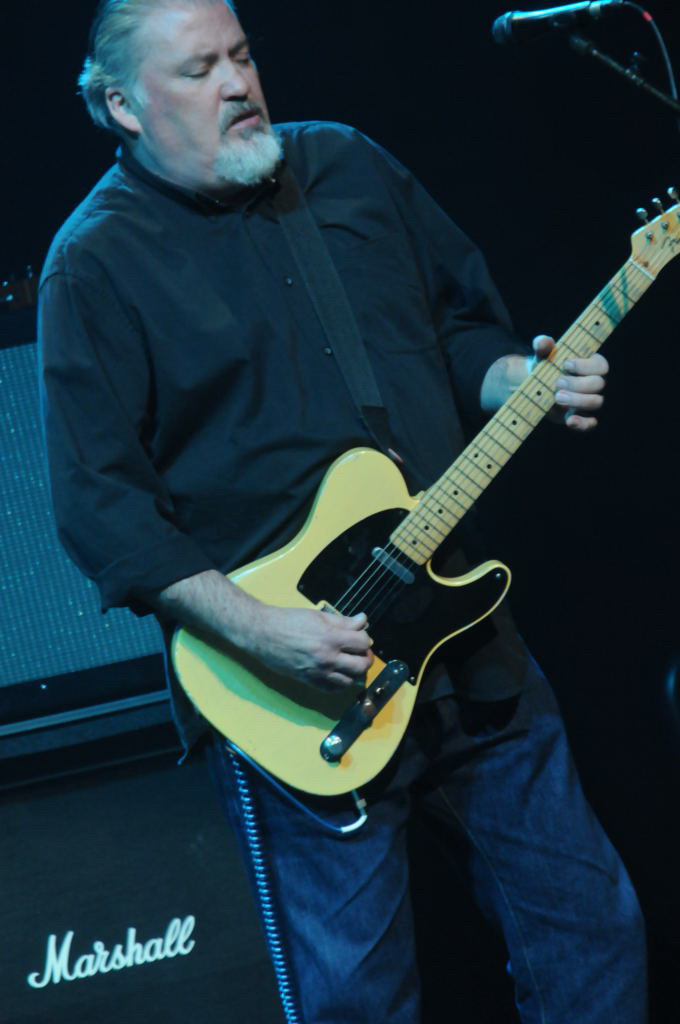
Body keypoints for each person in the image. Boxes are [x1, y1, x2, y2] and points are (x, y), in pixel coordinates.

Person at [38, 0, 647, 1021]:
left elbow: (459, 328)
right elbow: (102, 508)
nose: (238, 83)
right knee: (358, 1001)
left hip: (463, 636)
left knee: (592, 933)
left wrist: (512, 378)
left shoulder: (346, 165)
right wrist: (261, 631)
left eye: (241, 55)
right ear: (121, 105)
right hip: (297, 686)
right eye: (197, 69)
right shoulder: (95, 262)